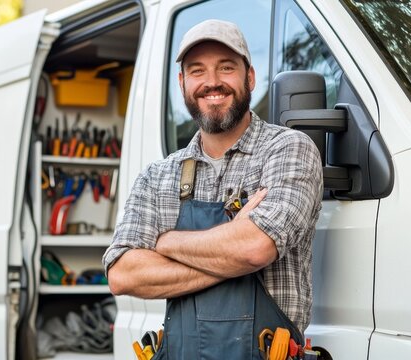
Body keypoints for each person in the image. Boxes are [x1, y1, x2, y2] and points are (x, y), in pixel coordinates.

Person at [102, 19, 323, 359]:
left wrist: (167, 242)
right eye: (197, 71)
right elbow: (122, 274)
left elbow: (254, 249)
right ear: (183, 83)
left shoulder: (289, 149)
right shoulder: (157, 176)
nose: (212, 82)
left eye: (226, 67)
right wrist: (230, 246)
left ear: (250, 76)